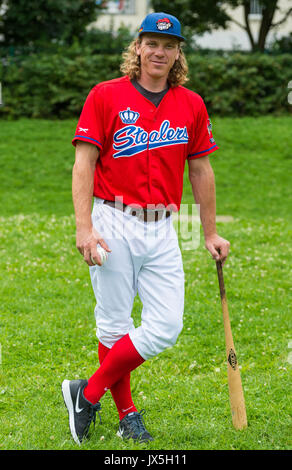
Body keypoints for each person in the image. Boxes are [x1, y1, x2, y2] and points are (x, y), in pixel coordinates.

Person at [61, 11, 230, 445]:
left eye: (169, 45)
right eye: (152, 43)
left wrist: (209, 232)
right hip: (113, 219)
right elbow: (83, 164)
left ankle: (88, 391)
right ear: (138, 47)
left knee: (166, 325)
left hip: (163, 227)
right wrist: (85, 228)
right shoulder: (105, 95)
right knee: (114, 323)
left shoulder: (190, 103)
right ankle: (127, 414)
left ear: (178, 53)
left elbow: (201, 170)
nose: (160, 51)